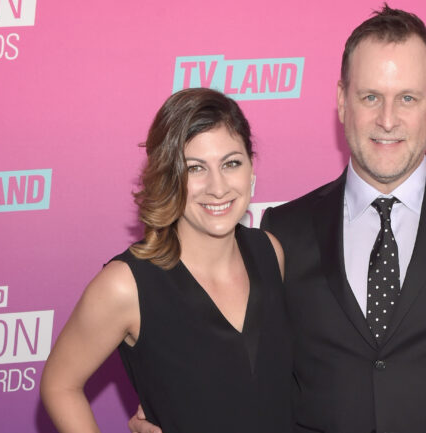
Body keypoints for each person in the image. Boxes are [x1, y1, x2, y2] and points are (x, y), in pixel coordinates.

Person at [130, 4, 426, 433]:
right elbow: (246, 365)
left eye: (408, 98)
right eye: (370, 97)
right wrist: (170, 404)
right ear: (342, 101)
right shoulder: (281, 231)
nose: (387, 119)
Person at [40, 88, 292, 433]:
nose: (218, 188)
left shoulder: (270, 252)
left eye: (231, 163)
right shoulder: (126, 285)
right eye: (195, 168)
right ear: (168, 177)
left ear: (250, 168)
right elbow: (59, 385)